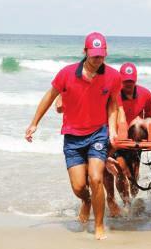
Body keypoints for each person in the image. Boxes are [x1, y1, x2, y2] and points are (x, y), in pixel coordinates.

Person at [25, 32, 121, 240]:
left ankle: (99, 226)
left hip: (98, 133)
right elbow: (50, 97)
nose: (98, 59)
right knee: (79, 187)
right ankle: (86, 201)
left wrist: (112, 130)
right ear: (85, 52)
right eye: (94, 55)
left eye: (101, 55)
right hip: (73, 137)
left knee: (96, 178)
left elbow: (113, 104)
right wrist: (34, 123)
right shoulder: (67, 74)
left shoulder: (113, 76)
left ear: (106, 53)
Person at [103, 62, 151, 216]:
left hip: (134, 141)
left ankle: (131, 196)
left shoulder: (145, 94)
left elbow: (150, 116)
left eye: (131, 81)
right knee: (120, 170)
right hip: (117, 140)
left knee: (134, 176)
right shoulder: (114, 94)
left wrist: (146, 133)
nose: (128, 84)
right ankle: (126, 204)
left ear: (135, 80)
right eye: (125, 81)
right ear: (120, 81)